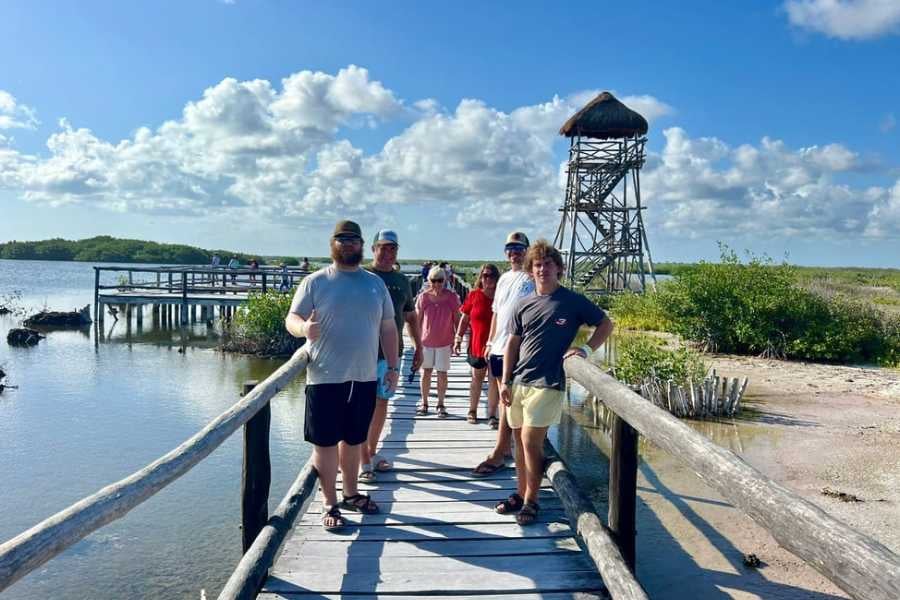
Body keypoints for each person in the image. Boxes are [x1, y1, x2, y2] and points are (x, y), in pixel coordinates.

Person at [285, 220, 399, 531]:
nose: (347, 244)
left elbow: (388, 327)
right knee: (324, 445)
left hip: (363, 378)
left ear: (362, 245)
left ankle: (351, 493)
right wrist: (303, 329)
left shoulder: (375, 283)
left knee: (353, 440)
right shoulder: (315, 282)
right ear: (332, 244)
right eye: (341, 239)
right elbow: (291, 318)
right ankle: (330, 503)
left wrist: (393, 366)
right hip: (324, 377)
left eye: (353, 240)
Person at [497, 240, 613, 525]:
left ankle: (531, 501)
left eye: (548, 264)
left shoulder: (572, 301)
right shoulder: (523, 305)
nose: (542, 269)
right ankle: (519, 491)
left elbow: (606, 324)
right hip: (519, 381)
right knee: (517, 441)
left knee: (530, 442)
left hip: (548, 383)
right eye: (537, 265)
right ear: (530, 271)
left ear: (559, 269)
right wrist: (505, 380)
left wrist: (584, 350)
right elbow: (512, 343)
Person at [359, 229, 423, 483]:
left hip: (391, 355)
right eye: (382, 247)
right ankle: (362, 459)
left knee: (381, 404)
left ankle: (371, 452)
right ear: (373, 249)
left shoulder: (402, 281)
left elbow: (410, 316)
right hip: (361, 353)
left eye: (392, 248)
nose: (387, 253)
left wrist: (419, 346)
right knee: (361, 407)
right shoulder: (361, 276)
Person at [472, 231, 534, 477]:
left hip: (516, 349)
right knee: (503, 398)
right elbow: (497, 312)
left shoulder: (531, 278)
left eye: (519, 248)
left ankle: (500, 452)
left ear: (527, 250)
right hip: (498, 348)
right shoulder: (505, 279)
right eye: (510, 247)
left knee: (511, 400)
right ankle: (506, 449)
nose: (514, 252)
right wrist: (489, 342)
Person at [454, 263, 500, 424]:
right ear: (480, 277)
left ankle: (492, 414)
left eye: (491, 275)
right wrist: (458, 338)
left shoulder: (501, 296)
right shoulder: (474, 295)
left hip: (497, 345)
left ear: (497, 278)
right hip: (477, 344)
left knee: (494, 380)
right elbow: (465, 318)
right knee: (477, 379)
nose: (488, 279)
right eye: (485, 275)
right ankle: (472, 410)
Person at [415, 266, 460, 418]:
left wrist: (458, 339)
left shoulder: (452, 297)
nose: (437, 284)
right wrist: (416, 343)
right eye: (434, 281)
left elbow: (457, 318)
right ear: (429, 281)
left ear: (445, 281)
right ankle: (424, 402)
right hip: (426, 341)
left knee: (442, 373)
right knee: (425, 372)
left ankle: (441, 403)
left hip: (445, 341)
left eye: (440, 281)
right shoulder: (423, 297)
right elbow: (417, 320)